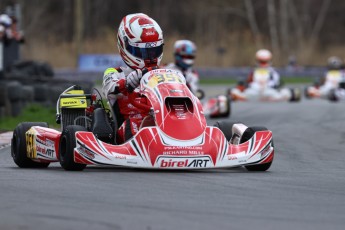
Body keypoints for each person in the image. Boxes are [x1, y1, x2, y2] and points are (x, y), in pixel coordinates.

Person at [102, 13, 164, 144]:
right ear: (124, 46)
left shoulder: (164, 72)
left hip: (164, 119)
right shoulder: (116, 73)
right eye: (142, 52)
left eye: (154, 51)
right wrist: (127, 83)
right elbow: (108, 88)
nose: (149, 57)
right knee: (136, 123)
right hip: (130, 124)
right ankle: (142, 146)